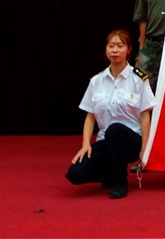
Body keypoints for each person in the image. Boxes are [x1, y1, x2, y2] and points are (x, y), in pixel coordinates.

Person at [65, 29, 157, 199]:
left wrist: (144, 149)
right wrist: (86, 144)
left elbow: (145, 115)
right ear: (106, 49)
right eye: (111, 46)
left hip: (131, 140)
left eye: (120, 46)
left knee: (115, 130)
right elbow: (90, 116)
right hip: (106, 140)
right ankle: (110, 172)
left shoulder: (139, 79)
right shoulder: (97, 81)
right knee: (75, 173)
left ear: (128, 49)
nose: (115, 50)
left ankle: (120, 182)